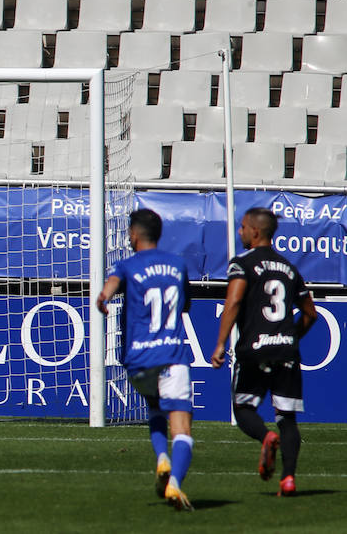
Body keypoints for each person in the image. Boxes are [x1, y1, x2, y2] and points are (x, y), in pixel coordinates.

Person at [212, 207, 317, 497]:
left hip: (253, 349)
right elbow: (310, 314)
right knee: (287, 417)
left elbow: (232, 303)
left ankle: (265, 436)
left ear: (255, 232)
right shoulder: (289, 268)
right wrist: (291, 337)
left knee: (244, 408)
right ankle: (288, 480)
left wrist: (220, 343)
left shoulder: (242, 263)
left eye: (243, 227)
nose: (239, 231)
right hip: (286, 351)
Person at [95, 209, 195, 511]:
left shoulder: (127, 265)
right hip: (172, 355)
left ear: (133, 235)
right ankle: (174, 483)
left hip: (138, 360)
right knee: (181, 427)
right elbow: (185, 304)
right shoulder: (178, 265)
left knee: (153, 405)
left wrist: (103, 297)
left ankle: (161, 459)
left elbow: (111, 285)